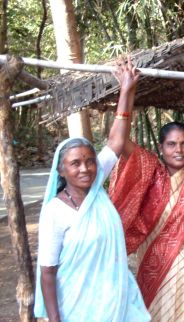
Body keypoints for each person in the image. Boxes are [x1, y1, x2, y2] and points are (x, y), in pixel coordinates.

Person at [108, 55, 184, 321]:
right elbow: (118, 140)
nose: (179, 150)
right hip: (156, 262)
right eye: (171, 145)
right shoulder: (149, 169)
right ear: (161, 148)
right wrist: (127, 90)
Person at [34, 58, 150, 321]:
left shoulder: (97, 188)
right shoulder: (55, 212)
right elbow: (47, 272)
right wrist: (54, 319)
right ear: (61, 170)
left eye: (89, 161)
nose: (85, 168)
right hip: (75, 307)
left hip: (113, 303)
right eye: (75, 163)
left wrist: (126, 89)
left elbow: (117, 140)